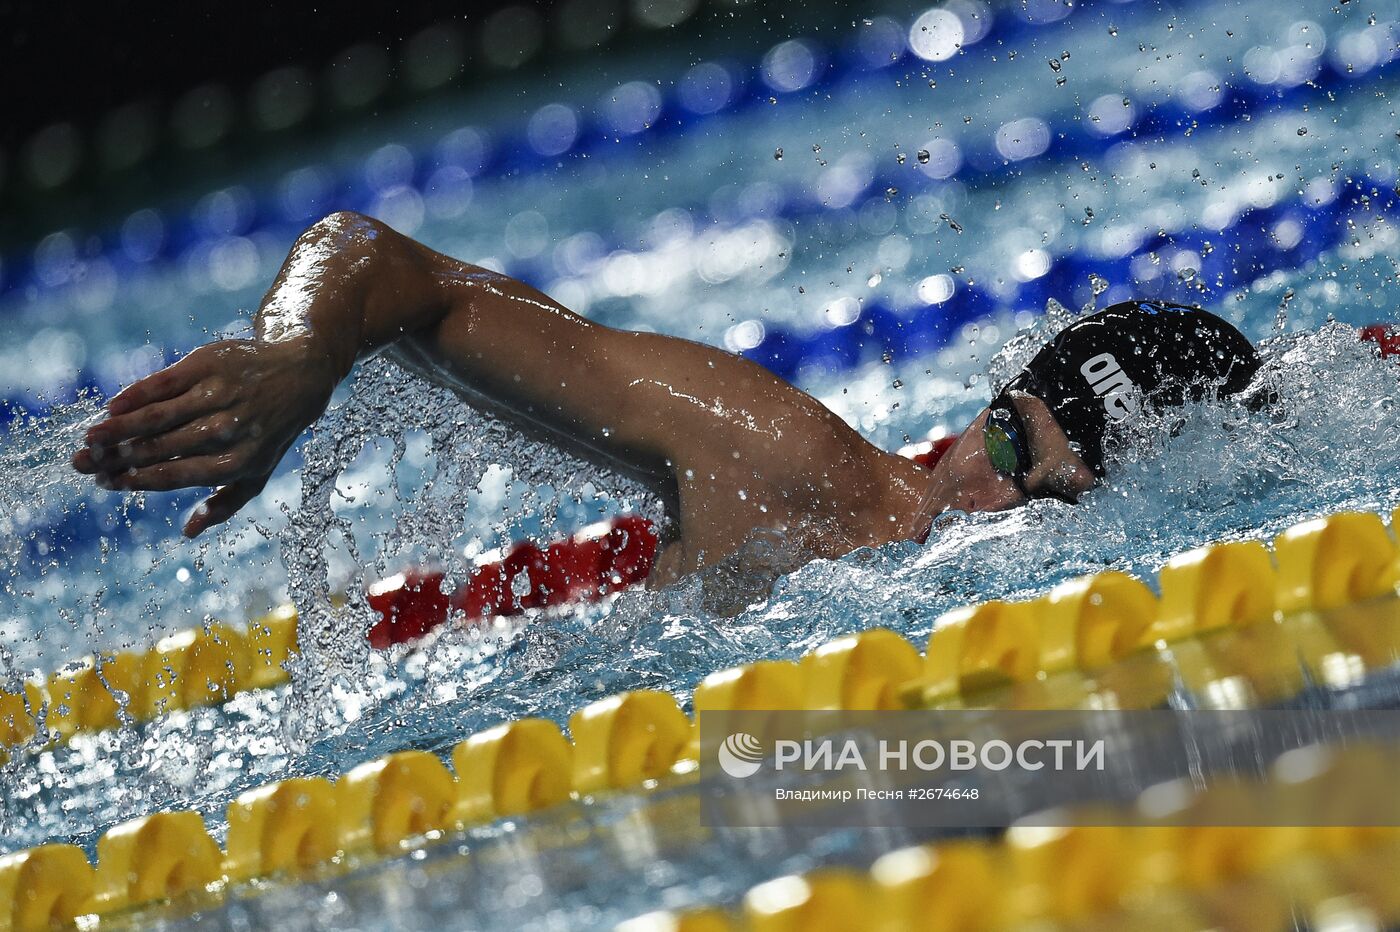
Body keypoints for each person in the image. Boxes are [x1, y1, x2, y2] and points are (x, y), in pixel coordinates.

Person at [71, 212, 1261, 586]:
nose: (989, 494)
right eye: (1003, 435)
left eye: (1044, 498)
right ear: (981, 404)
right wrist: (294, 355)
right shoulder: (790, 462)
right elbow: (385, 262)